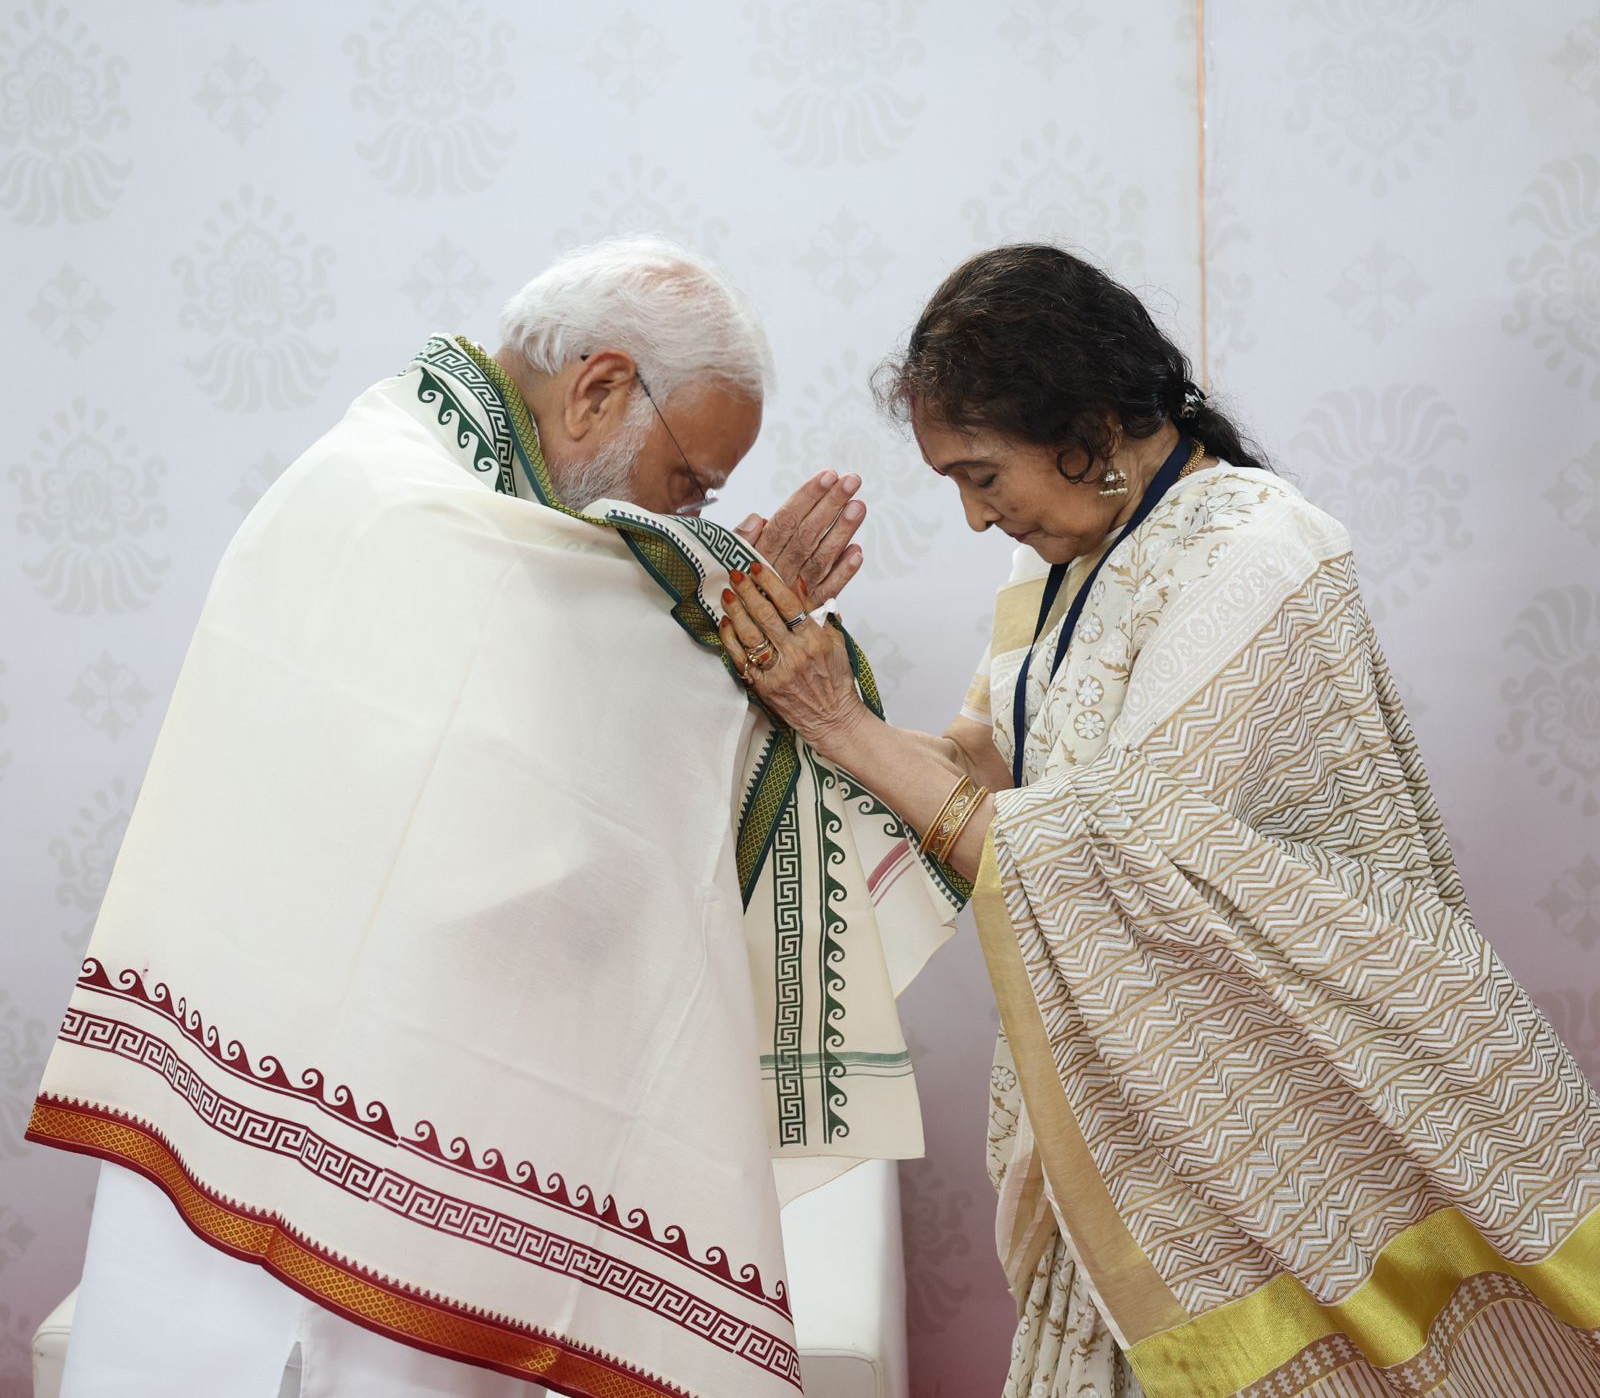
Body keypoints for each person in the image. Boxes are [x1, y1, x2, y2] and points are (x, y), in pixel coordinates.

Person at [28, 235, 959, 1398]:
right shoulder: (404, 506)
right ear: (600, 387)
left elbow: (579, 761)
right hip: (305, 1131)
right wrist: (707, 609)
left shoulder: (461, 506)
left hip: (417, 1118)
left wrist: (714, 610)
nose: (695, 508)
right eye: (693, 481)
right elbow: (531, 848)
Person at [720, 243, 1600, 1398]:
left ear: (1083, 421)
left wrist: (837, 721)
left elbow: (1106, 857)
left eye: (983, 476)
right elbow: (983, 793)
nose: (980, 519)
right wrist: (780, 661)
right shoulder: (1069, 584)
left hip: (1296, 1118)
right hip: (1135, 1118)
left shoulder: (1255, 552)